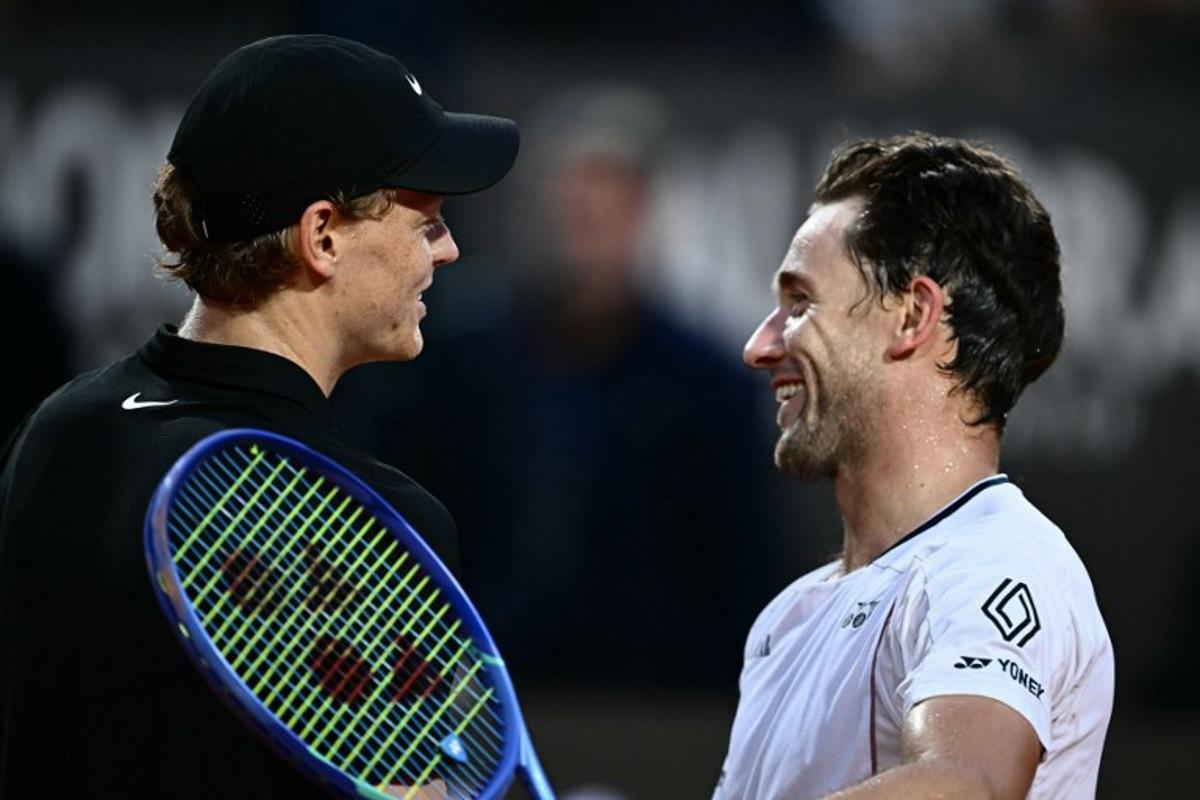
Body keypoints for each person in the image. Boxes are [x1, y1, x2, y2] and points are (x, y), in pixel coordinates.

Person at [0, 34, 517, 798]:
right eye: (426, 220)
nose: (448, 251)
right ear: (323, 236)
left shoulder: (58, 429)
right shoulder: (371, 521)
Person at [715, 133, 1113, 799]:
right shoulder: (788, 620)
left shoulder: (997, 560)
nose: (759, 346)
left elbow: (965, 784)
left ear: (913, 314)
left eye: (799, 303)